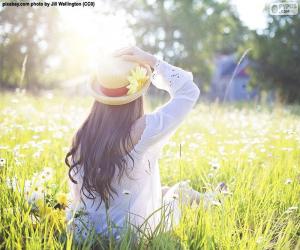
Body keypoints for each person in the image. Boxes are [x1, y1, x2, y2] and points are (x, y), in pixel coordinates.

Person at [65, 46, 205, 242]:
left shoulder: (82, 133)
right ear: (137, 92)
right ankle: (216, 200)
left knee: (161, 190)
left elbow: (77, 194)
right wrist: (153, 61)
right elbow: (189, 91)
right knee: (180, 191)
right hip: (129, 235)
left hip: (84, 232)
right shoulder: (142, 129)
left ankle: (210, 195)